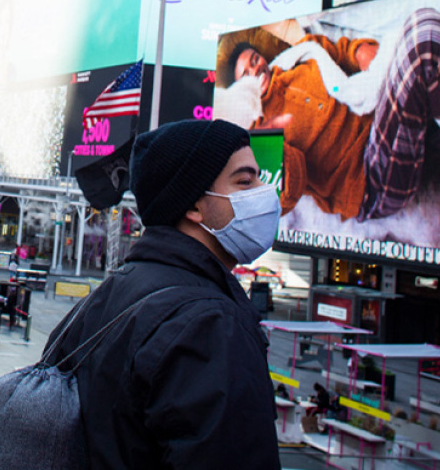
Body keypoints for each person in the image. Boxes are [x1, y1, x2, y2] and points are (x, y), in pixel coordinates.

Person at [42, 120, 280, 468]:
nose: (264, 191)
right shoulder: (210, 325)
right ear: (194, 206)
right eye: (245, 181)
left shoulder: (107, 296)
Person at [219, 10, 440, 222]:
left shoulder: (298, 57)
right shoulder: (256, 133)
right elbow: (285, 195)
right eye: (246, 74)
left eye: (255, 59)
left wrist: (364, 54)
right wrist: (264, 141)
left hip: (388, 117)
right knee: (427, 36)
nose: (256, 70)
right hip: (370, 180)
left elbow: (341, 50)